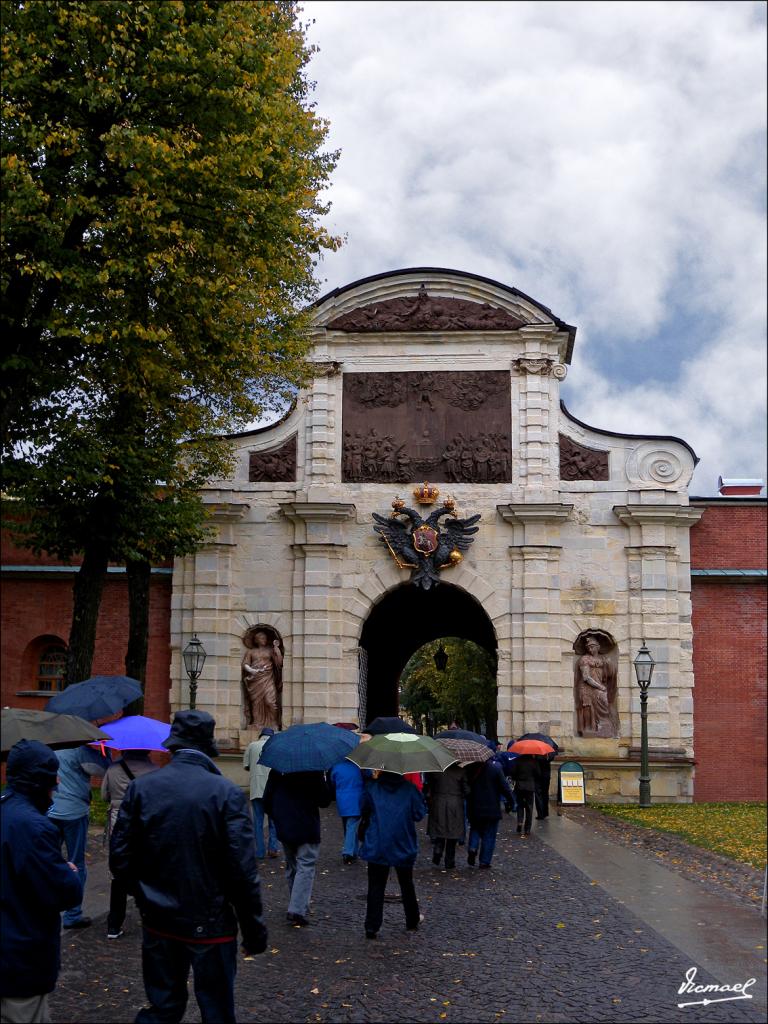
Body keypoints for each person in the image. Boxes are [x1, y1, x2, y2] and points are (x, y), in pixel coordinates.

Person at [110, 710, 268, 1024]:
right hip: (211, 924)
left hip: (159, 919)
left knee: (162, 1008)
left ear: (173, 745)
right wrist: (253, 931)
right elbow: (242, 871)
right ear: (208, 744)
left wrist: (145, 897)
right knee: (217, 1011)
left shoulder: (142, 788)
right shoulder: (226, 793)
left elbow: (120, 857)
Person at [1, 740, 82, 1024]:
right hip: (19, 958)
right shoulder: (35, 828)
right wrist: (68, 872)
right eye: (52, 775)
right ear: (39, 781)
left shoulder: (8, 810)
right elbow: (65, 893)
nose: (58, 781)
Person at [47, 740, 110, 929]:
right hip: (74, 812)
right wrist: (105, 750)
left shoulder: (49, 746)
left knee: (47, 860)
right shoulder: (79, 750)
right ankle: (72, 915)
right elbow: (102, 769)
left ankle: (45, 907)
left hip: (50, 809)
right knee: (77, 862)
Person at [358, 771, 427, 939]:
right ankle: (412, 919)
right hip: (403, 841)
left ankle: (372, 926)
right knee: (406, 883)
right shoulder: (410, 789)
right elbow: (419, 814)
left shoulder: (372, 788)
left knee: (376, 885)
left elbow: (363, 808)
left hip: (378, 841)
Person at [100, 749, 160, 939]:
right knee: (146, 869)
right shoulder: (155, 770)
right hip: (144, 820)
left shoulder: (113, 769)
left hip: (118, 820)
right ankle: (150, 919)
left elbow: (104, 796)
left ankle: (114, 924)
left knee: (118, 872)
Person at [262, 768, 332, 927]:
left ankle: (296, 904)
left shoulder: (278, 769)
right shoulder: (313, 770)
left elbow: (267, 801)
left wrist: (278, 815)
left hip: (285, 825)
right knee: (305, 865)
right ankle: (297, 909)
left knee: (292, 865)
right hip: (307, 825)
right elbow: (324, 800)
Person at [465, 758, 514, 867]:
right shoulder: (495, 768)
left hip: (475, 806)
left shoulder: (470, 768)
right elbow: (505, 787)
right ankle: (484, 861)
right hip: (492, 807)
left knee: (475, 829)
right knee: (489, 835)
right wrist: (511, 801)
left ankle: (473, 847)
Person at [242, 728, 280, 860]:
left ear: (261, 735)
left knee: (258, 821)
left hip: (256, 788)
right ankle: (273, 848)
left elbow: (246, 766)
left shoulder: (252, 745)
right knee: (273, 821)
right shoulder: (276, 746)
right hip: (272, 790)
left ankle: (259, 851)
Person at [424, 763, 469, 870]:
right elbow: (467, 790)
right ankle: (449, 861)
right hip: (455, 803)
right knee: (453, 832)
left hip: (439, 801)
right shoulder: (460, 771)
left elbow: (429, 785)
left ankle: (438, 849)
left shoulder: (436, 771)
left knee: (440, 827)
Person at [241, 626, 283, 730]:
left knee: (270, 701)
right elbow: (245, 664)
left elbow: (279, 662)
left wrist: (277, 649)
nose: (264, 640)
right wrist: (252, 671)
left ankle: (273, 722)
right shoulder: (251, 652)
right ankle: (256, 723)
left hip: (268, 678)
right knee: (256, 702)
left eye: (265, 638)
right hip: (255, 679)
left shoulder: (270, 650)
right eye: (262, 638)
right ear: (256, 640)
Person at [329, 756, 364, 864]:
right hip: (356, 799)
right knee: (351, 826)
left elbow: (333, 782)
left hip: (342, 799)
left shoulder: (336, 767)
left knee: (348, 826)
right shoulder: (359, 767)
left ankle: (353, 851)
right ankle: (348, 852)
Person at [576, 637, 612, 735]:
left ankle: (603, 726)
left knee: (605, 700)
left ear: (598, 647)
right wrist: (600, 687)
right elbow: (586, 677)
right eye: (588, 647)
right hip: (587, 687)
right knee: (589, 706)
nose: (590, 649)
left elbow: (608, 675)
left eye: (592, 647)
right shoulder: (584, 659)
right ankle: (589, 729)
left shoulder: (602, 659)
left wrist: (608, 665)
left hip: (598, 685)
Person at [510, 754, 542, 837]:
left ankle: (520, 822)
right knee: (529, 807)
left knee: (520, 805)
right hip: (530, 786)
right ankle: (527, 828)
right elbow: (538, 774)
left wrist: (518, 777)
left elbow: (513, 773)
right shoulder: (534, 761)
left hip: (520, 786)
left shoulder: (518, 760)